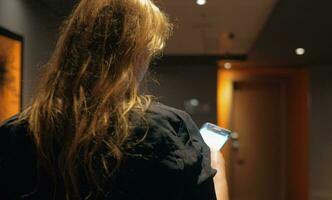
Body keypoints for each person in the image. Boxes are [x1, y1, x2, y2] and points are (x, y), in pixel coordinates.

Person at [0, 0, 229, 199]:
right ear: (134, 55)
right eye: (147, 52)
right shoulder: (172, 130)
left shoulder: (12, 134)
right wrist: (215, 170)